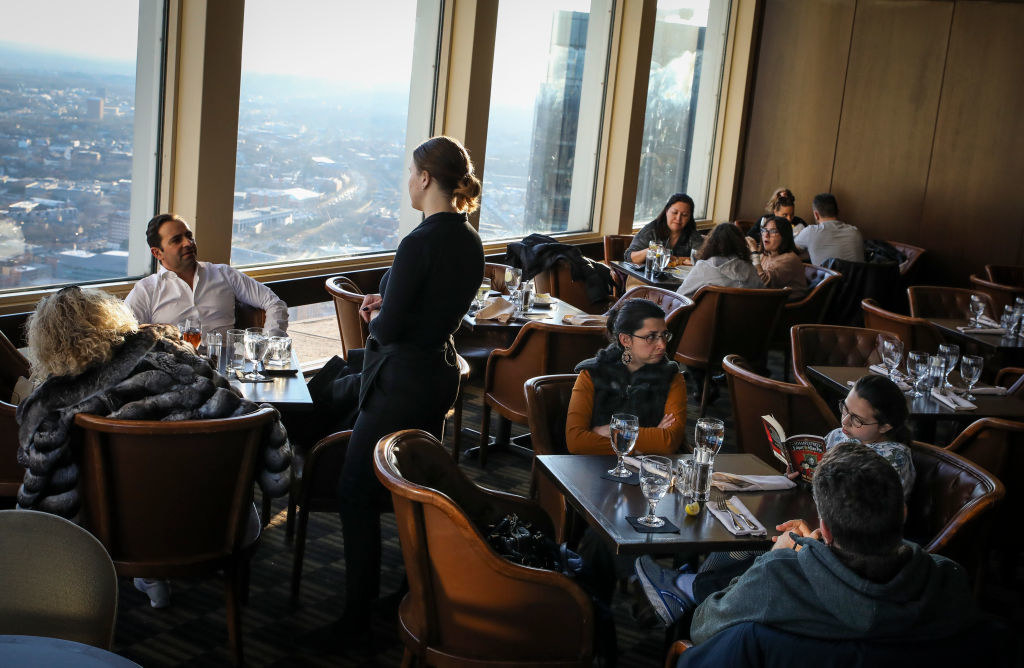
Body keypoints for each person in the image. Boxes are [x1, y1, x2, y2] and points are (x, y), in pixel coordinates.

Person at [15, 286, 292, 607]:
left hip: (117, 535)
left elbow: (40, 497)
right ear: (111, 317)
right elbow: (251, 418)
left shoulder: (51, 408)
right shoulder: (173, 354)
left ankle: (145, 577)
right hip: (214, 522)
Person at [335, 135, 484, 637]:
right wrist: (392, 305)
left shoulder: (417, 242)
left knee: (355, 490)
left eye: (410, 174)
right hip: (437, 376)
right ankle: (412, 596)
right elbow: (440, 310)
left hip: (400, 381)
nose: (408, 182)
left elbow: (389, 329)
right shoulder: (470, 240)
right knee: (415, 489)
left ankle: (358, 617)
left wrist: (378, 315)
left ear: (425, 179)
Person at [637, 443, 979, 648]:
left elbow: (703, 625)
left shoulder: (778, 581)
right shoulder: (950, 580)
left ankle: (682, 586)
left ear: (825, 529)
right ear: (902, 512)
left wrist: (775, 560)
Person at [124, 213, 289, 335]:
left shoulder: (224, 274)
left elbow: (274, 303)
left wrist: (269, 343)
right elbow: (124, 333)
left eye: (189, 236)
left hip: (225, 372)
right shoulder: (146, 290)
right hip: (176, 374)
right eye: (176, 240)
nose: (188, 243)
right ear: (157, 253)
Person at [566, 298, 686, 454]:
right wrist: (641, 446)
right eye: (651, 337)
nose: (662, 345)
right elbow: (576, 441)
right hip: (595, 470)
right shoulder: (592, 373)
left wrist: (606, 431)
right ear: (625, 340)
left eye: (664, 335)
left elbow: (668, 441)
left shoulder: (671, 376)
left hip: (650, 474)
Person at [825, 374, 915, 499]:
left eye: (857, 419)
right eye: (845, 408)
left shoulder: (893, 459)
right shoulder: (837, 435)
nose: (844, 422)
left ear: (885, 427)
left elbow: (863, 506)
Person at [676, 222, 763, 298]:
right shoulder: (751, 270)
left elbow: (679, 297)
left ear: (710, 244)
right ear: (741, 243)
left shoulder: (704, 267)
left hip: (708, 317)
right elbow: (765, 297)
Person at [624, 193, 702, 266]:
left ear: (689, 218)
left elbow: (703, 259)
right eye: (674, 212)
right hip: (647, 277)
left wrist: (676, 259)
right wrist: (651, 250)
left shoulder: (693, 235)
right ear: (666, 211)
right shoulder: (651, 230)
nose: (678, 219)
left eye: (684, 215)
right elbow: (629, 257)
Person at [793, 193, 864, 265]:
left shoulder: (810, 232)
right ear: (837, 212)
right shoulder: (855, 232)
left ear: (816, 215)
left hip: (829, 276)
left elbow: (792, 250)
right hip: (856, 276)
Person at [749, 216, 808, 298]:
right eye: (764, 230)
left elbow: (762, 284)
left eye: (773, 231)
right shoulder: (766, 254)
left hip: (788, 307)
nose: (766, 235)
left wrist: (754, 253)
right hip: (769, 300)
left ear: (784, 236)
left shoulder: (789, 259)